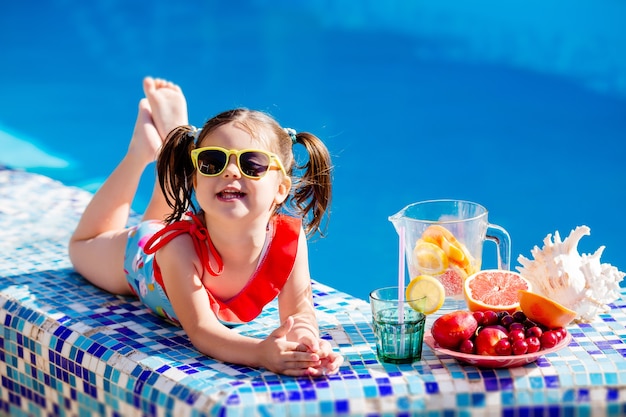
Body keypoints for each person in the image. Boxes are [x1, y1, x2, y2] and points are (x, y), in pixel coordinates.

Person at [69, 77, 343, 376]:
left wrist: (307, 344)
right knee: (83, 245)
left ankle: (170, 146)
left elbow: (299, 312)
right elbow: (202, 332)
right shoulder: (178, 249)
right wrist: (260, 353)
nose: (231, 172)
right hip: (141, 257)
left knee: (164, 215)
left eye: (253, 164)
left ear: (281, 188)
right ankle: (141, 152)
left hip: (181, 230)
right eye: (212, 162)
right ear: (196, 181)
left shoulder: (288, 240)